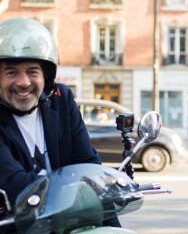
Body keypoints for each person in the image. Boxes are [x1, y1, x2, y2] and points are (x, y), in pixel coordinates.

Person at [0, 17, 120, 227]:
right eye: (11, 72)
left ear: (46, 75)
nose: (23, 82)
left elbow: (88, 165)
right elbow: (15, 183)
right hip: (15, 224)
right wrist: (75, 191)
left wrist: (113, 227)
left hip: (68, 220)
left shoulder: (60, 100)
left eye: (32, 71)